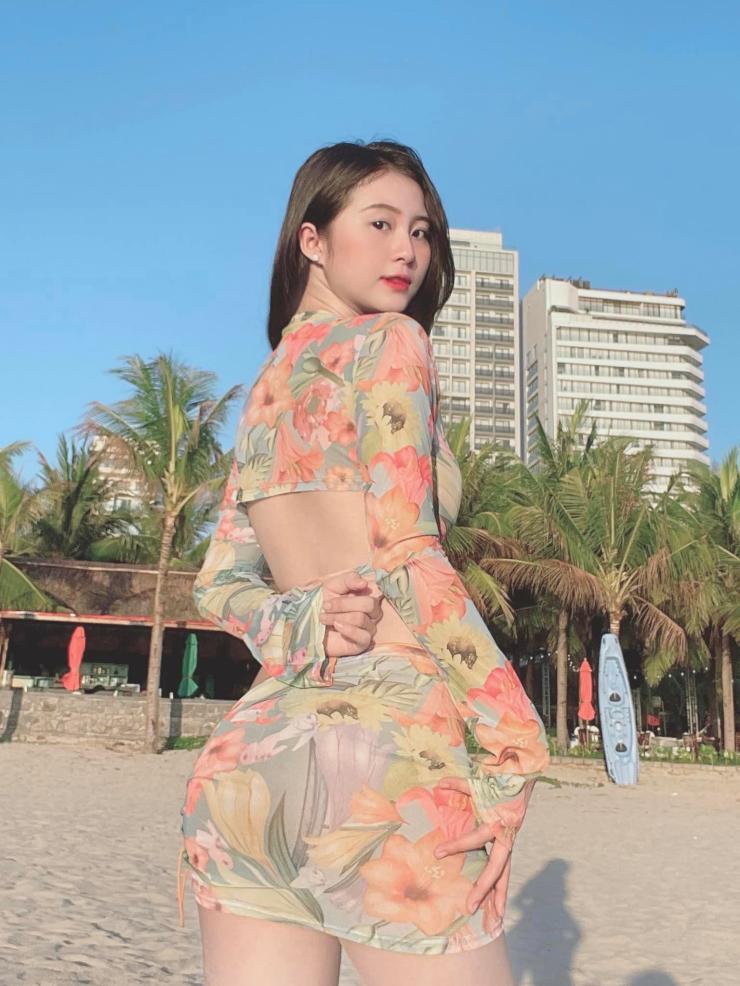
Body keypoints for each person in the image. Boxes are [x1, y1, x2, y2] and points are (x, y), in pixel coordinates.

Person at [177, 139, 550, 986]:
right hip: (391, 761)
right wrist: (515, 740)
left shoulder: (266, 387)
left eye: (420, 231)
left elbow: (220, 583)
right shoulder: (393, 342)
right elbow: (408, 551)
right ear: (311, 240)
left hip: (252, 767)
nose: (406, 250)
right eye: (379, 224)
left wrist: (302, 615)